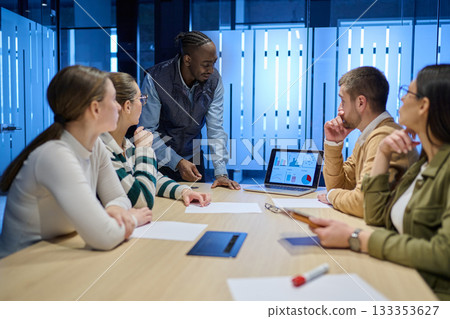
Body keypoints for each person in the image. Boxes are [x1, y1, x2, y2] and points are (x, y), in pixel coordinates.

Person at [310, 64, 450, 300]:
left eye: (409, 92)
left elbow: (359, 202)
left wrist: (355, 235)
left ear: (424, 106)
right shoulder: (420, 161)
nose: (402, 98)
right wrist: (334, 145)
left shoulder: (384, 134)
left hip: (427, 293)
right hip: (407, 276)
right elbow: (369, 208)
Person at [0, 65, 152, 259]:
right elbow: (104, 236)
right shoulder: (55, 156)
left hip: (54, 256)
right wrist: (132, 218)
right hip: (19, 268)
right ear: (95, 109)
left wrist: (115, 208)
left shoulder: (96, 145)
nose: (118, 106)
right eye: (113, 100)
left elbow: (120, 198)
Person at [140, 31, 240, 190]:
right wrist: (177, 162)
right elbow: (147, 132)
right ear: (187, 59)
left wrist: (221, 173)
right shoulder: (156, 79)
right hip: (158, 162)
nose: (211, 70)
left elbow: (215, 128)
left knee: (199, 209)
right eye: (206, 64)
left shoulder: (214, 81)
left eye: (214, 63)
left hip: (193, 160)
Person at [101, 72, 211, 208]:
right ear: (127, 106)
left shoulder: (125, 144)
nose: (143, 103)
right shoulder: (103, 150)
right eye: (140, 98)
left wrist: (183, 191)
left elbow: (153, 178)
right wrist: (144, 150)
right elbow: (143, 200)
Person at [318, 66, 418, 217]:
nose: (339, 109)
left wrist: (331, 196)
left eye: (343, 101)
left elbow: (361, 204)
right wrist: (333, 143)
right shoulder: (369, 135)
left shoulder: (383, 137)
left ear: (360, 103)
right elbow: (340, 186)